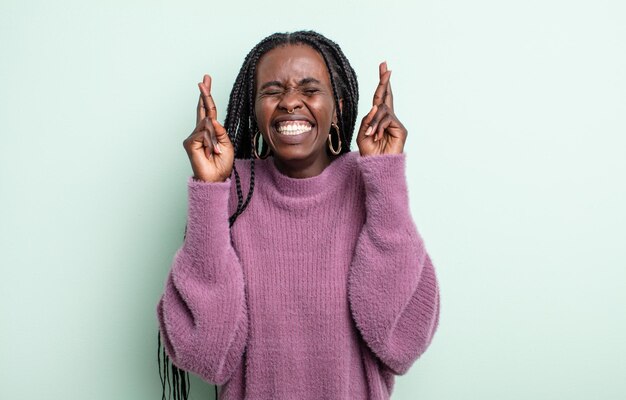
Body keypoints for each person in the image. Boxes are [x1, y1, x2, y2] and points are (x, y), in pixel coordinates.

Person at [156, 30, 440, 400]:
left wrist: (385, 173)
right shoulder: (231, 190)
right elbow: (205, 354)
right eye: (272, 91)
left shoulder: (369, 181)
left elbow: (401, 341)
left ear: (337, 107)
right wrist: (210, 191)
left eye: (309, 90)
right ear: (253, 110)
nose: (291, 102)